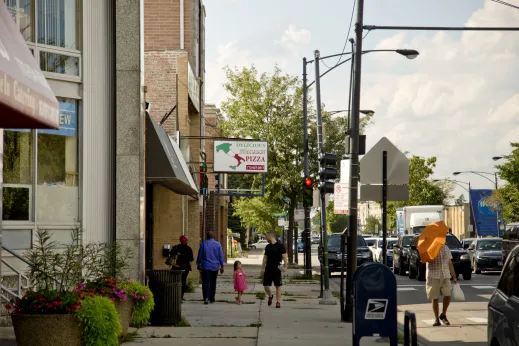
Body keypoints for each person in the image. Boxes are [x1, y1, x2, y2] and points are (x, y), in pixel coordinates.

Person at [426, 243, 457, 326]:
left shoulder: (446, 248)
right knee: (435, 298)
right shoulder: (429, 247)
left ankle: (443, 314)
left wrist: (454, 276)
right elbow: (425, 260)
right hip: (433, 275)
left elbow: (449, 262)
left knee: (448, 295)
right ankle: (436, 319)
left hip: (445, 275)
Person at [196, 231, 225, 305]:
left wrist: (198, 263)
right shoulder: (218, 244)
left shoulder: (203, 244)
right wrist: (222, 266)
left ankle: (206, 297)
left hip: (206, 266)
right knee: (213, 282)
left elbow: (200, 255)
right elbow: (221, 256)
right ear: (214, 237)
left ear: (207, 237)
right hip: (215, 267)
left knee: (205, 282)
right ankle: (212, 298)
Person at [261, 232, 288, 309]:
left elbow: (284, 257)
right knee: (266, 285)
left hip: (277, 268)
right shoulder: (267, 247)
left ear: (270, 236)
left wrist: (285, 266)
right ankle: (270, 295)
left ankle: (278, 302)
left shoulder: (280, 246)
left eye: (266, 237)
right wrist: (262, 267)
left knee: (278, 286)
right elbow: (265, 257)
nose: (266, 238)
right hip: (268, 268)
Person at [170, 235, 194, 300]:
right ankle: (181, 296)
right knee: (183, 281)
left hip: (176, 267)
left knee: (175, 281)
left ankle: (175, 295)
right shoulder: (188, 248)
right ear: (186, 241)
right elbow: (191, 259)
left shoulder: (176, 247)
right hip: (185, 268)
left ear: (180, 240)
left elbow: (170, 256)